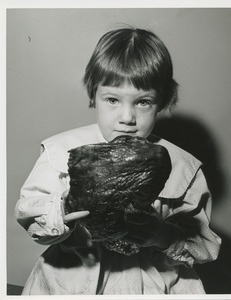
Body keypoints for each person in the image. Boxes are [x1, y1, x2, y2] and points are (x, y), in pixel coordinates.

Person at [15, 27, 221, 295]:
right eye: (112, 99)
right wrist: (62, 209)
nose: (127, 117)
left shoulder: (185, 168)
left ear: (163, 101)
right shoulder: (61, 152)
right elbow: (30, 216)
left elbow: (204, 247)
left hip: (153, 283)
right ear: (93, 94)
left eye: (143, 102)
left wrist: (163, 235)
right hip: (75, 280)